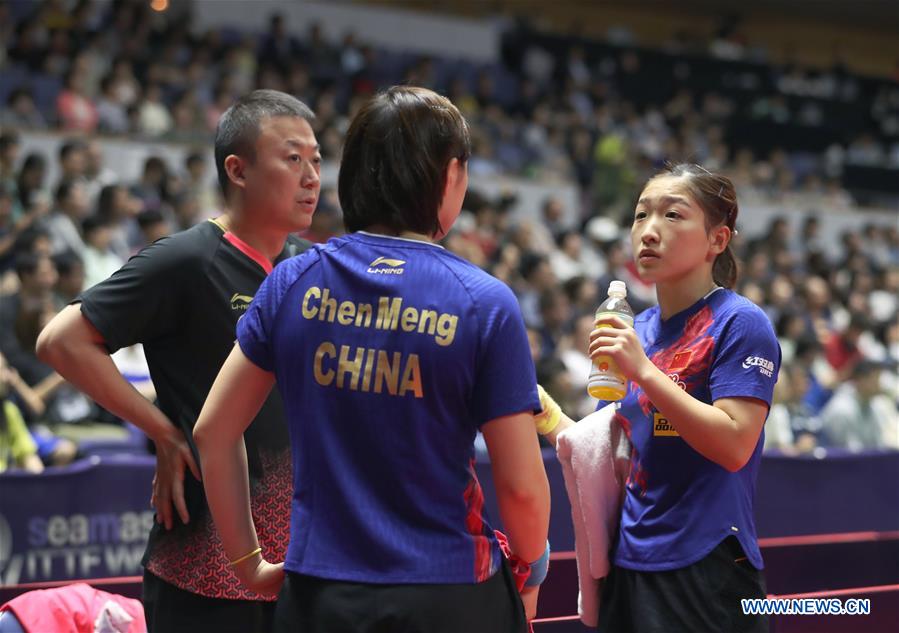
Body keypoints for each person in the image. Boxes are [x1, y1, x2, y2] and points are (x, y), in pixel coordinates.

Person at [193, 86, 550, 632]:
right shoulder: (484, 301)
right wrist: (531, 565)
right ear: (451, 176)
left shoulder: (291, 281)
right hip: (449, 594)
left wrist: (247, 564)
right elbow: (522, 487)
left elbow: (213, 432)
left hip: (318, 597)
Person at [36, 89, 321, 632]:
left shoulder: (311, 268)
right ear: (237, 170)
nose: (311, 177)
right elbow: (61, 341)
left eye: (316, 160)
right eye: (292, 158)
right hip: (202, 567)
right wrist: (164, 432)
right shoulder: (188, 260)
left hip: (302, 563)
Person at [536, 164, 781, 632]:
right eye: (640, 215)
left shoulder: (740, 324)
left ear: (717, 239)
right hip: (629, 558)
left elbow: (733, 444)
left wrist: (644, 372)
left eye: (672, 216)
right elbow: (612, 449)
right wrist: (541, 410)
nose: (649, 231)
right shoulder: (638, 328)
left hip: (706, 564)